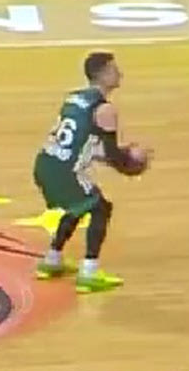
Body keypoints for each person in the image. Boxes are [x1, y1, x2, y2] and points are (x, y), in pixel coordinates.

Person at [33, 51, 152, 293]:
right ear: (103, 75)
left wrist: (113, 155)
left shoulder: (74, 98)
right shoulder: (105, 110)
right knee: (101, 208)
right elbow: (113, 156)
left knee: (79, 206)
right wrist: (133, 160)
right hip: (65, 171)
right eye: (114, 70)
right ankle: (89, 272)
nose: (120, 74)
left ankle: (52, 260)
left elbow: (80, 141)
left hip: (46, 162)